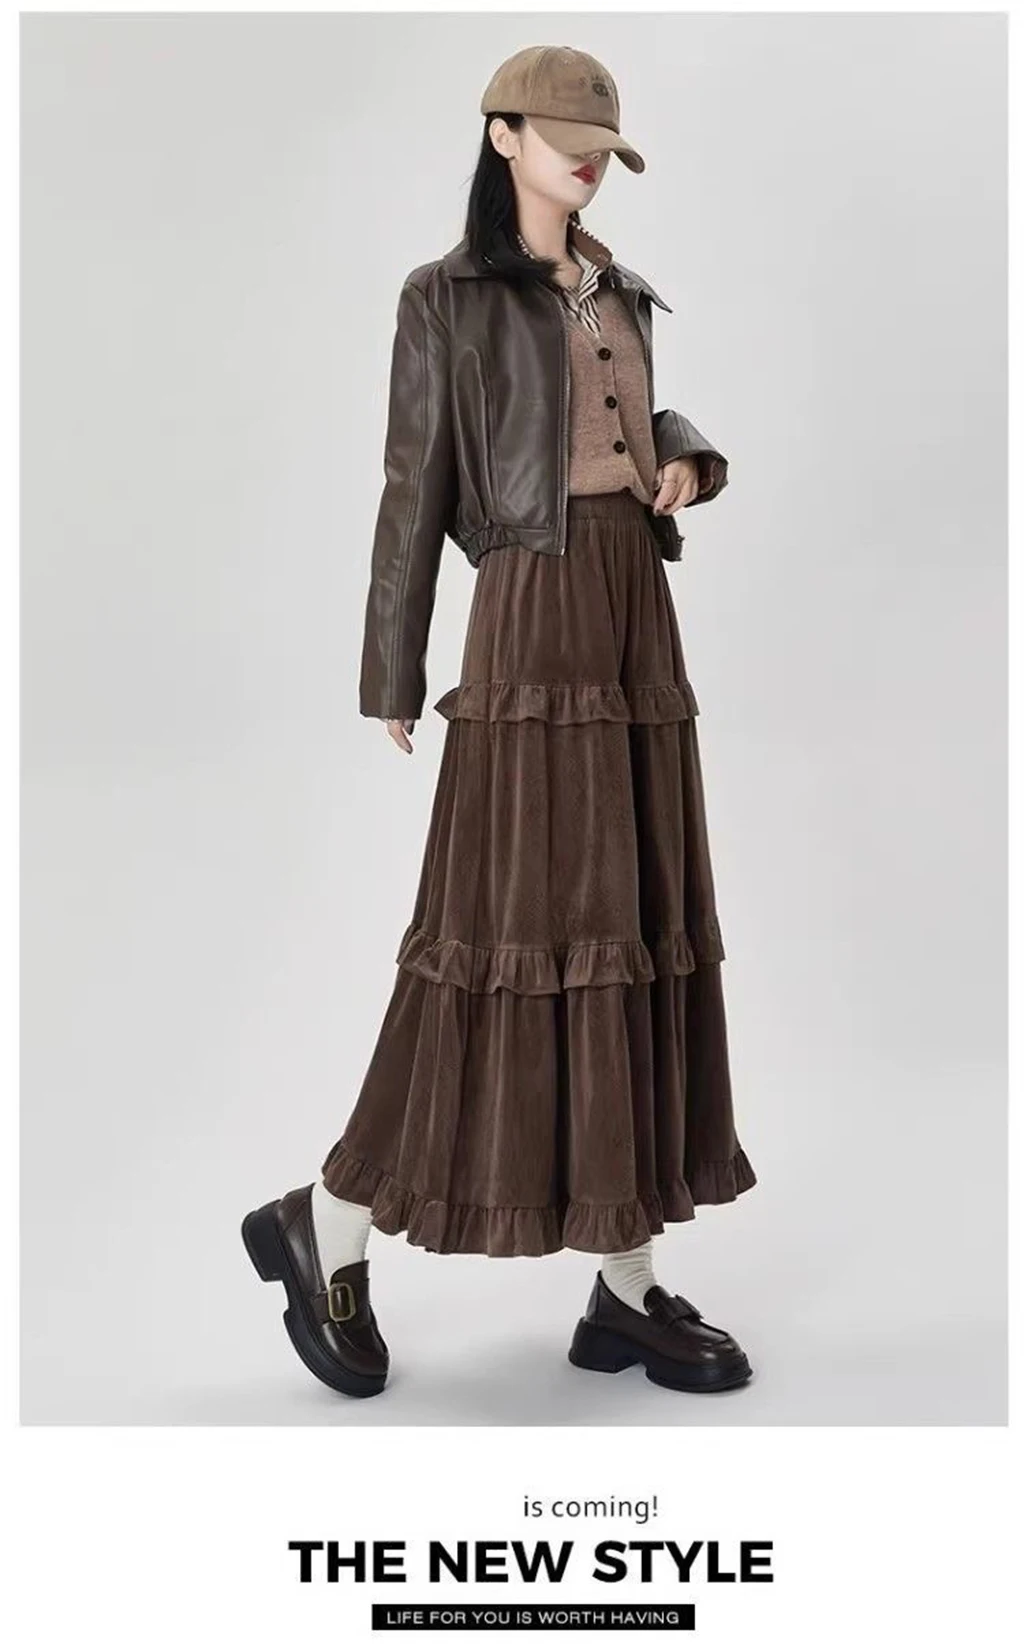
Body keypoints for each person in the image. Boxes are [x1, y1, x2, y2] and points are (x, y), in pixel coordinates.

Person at [242, 44, 757, 1400]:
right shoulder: (445, 299)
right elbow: (413, 486)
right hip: (529, 618)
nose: (589, 156)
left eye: (605, 140)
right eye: (566, 132)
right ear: (504, 136)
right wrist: (392, 671)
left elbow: (620, 427)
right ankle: (327, 1219)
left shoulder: (620, 288)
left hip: (635, 612)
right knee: (497, 941)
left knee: (634, 929)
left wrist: (686, 458)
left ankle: (627, 1287)